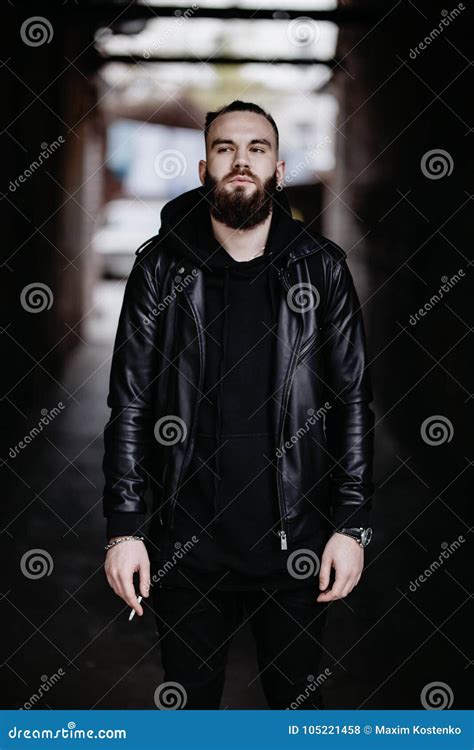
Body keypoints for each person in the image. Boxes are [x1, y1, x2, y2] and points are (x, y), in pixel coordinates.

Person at [102, 100, 375, 709]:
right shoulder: (159, 268)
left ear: (278, 169)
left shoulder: (321, 269)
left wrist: (351, 523)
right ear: (204, 169)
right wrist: (124, 528)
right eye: (226, 149)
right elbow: (130, 403)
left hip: (296, 549)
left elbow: (353, 400)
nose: (241, 161)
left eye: (257, 149)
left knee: (297, 718)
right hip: (187, 551)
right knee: (191, 720)